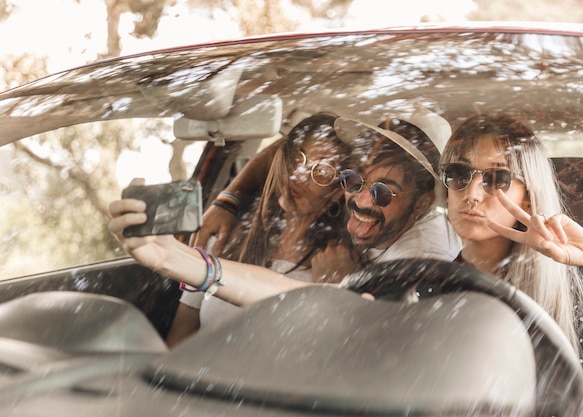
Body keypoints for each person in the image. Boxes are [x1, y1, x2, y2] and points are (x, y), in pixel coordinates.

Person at [108, 111, 461, 341]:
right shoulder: (228, 234)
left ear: (423, 204)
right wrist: (227, 200)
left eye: (384, 192)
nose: (363, 199)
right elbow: (179, 340)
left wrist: (342, 288)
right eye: (355, 180)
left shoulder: (418, 253)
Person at [166, 111, 352, 346]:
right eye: (297, 158)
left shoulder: (333, 268)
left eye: (322, 172)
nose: (298, 175)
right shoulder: (224, 239)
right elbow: (177, 341)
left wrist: (337, 290)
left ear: (337, 192)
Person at [437, 112, 583, 355]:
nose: (471, 195)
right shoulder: (425, 291)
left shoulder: (582, 293)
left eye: (497, 179)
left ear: (529, 199)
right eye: (458, 173)